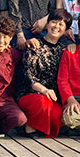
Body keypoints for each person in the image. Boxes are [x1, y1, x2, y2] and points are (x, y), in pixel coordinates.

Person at [17, 9, 73, 138]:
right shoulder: (34, 45)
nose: (56, 26)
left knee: (57, 117)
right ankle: (29, 127)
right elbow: (28, 76)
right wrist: (44, 90)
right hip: (31, 93)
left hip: (51, 98)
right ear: (47, 24)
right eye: (54, 22)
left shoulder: (63, 50)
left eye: (61, 24)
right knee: (43, 104)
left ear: (65, 30)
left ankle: (36, 125)